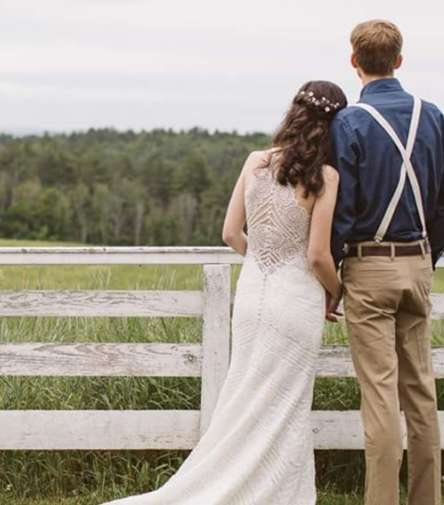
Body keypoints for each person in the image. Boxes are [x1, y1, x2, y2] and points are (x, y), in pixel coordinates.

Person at [100, 80, 347, 504]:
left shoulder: (256, 161)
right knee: (284, 404)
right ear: (334, 124)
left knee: (243, 394)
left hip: (252, 296)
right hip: (297, 300)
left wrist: (262, 259)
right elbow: (319, 255)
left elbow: (231, 233)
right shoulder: (324, 177)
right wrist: (337, 292)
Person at [329, 19, 444, 505]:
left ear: (354, 61)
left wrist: (334, 272)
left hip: (367, 265)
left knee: (380, 395)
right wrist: (427, 258)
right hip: (418, 263)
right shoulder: (434, 116)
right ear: (399, 60)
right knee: (421, 392)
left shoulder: (350, 122)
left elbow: (343, 208)